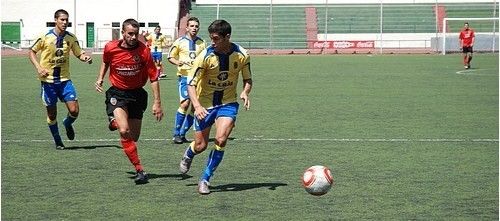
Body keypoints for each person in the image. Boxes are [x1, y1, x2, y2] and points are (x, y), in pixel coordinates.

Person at [178, 20, 253, 194]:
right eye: (211, 38)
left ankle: (205, 178)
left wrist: (245, 92)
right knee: (201, 145)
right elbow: (190, 84)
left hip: (228, 104)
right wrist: (196, 106)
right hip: (204, 105)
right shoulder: (204, 56)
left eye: (216, 38)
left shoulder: (242, 54)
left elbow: (248, 79)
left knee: (220, 139)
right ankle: (189, 153)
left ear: (227, 37)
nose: (212, 42)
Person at [95, 18, 164, 185]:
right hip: (117, 92)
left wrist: (157, 103)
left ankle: (114, 122)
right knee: (125, 131)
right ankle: (140, 170)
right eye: (130, 34)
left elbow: (153, 77)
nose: (133, 37)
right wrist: (100, 79)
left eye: (136, 34)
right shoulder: (110, 47)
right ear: (123, 33)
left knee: (133, 137)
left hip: (137, 95)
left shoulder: (144, 51)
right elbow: (106, 62)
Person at [28, 9, 92, 150]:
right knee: (52, 114)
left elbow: (78, 53)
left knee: (74, 111)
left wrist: (85, 57)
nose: (65, 22)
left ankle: (67, 123)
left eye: (66, 20)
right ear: (55, 20)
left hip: (65, 80)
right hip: (48, 82)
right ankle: (58, 140)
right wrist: (39, 67)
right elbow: (31, 52)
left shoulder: (70, 37)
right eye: (62, 20)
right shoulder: (45, 36)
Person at [167, 17, 206, 144]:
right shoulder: (179, 42)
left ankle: (182, 134)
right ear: (187, 27)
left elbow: (205, 59)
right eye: (192, 26)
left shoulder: (202, 43)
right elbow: (170, 57)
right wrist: (179, 62)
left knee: (196, 108)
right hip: (185, 77)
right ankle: (176, 133)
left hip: (198, 79)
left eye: (196, 26)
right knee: (185, 104)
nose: (194, 28)